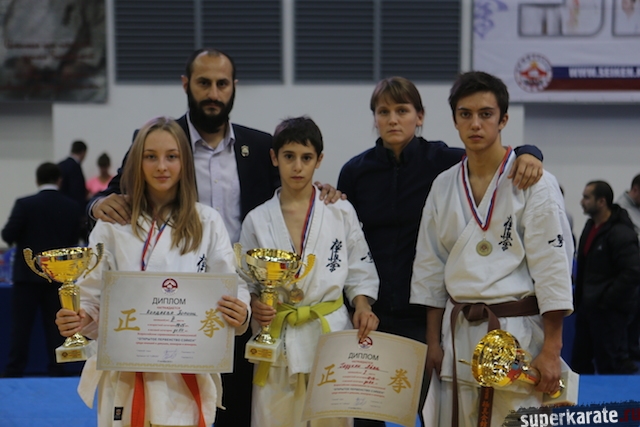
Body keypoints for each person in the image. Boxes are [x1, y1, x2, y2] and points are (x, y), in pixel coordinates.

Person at [88, 48, 340, 427]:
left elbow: (292, 188)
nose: (213, 93)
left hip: (238, 302)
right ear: (186, 85)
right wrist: (96, 205)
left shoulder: (259, 147)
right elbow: (117, 193)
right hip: (164, 315)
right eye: (204, 83)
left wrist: (323, 192)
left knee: (234, 408)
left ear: (233, 87)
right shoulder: (162, 139)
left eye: (222, 84)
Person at [337, 76, 544, 427]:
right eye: (383, 112)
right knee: (365, 416)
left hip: (424, 317)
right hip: (370, 315)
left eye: (402, 110)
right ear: (374, 118)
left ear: (420, 116)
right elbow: (346, 238)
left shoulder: (443, 162)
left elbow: (489, 152)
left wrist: (530, 152)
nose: (392, 119)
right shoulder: (355, 172)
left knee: (432, 413)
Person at [55, 117, 251, 427]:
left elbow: (232, 284)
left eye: (171, 156)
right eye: (151, 156)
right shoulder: (112, 225)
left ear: (185, 163)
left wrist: (241, 311)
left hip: (186, 370)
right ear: (137, 162)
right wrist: (80, 318)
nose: (162, 166)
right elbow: (91, 296)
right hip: (125, 370)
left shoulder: (207, 221)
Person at [409, 71, 573, 427]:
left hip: (519, 332)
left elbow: (553, 269)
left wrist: (552, 348)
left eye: (486, 114)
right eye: (465, 114)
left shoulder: (536, 183)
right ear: (455, 120)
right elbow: (430, 267)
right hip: (458, 334)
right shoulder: (443, 186)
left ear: (503, 119)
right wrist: (433, 341)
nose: (475, 124)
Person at [239, 116, 379, 427]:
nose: (298, 167)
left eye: (306, 158)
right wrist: (254, 304)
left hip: (328, 332)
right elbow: (244, 279)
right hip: (278, 335)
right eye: (289, 156)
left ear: (319, 160)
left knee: (333, 420)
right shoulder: (257, 220)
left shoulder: (340, 211)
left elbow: (359, 266)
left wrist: (362, 305)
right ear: (274, 157)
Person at [1, 162, 82, 377]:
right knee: (58, 325)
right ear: (59, 180)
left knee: (21, 328)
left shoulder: (25, 204)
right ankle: (58, 368)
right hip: (59, 278)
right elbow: (75, 240)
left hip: (26, 277)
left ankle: (14, 369)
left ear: (37, 180)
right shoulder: (72, 206)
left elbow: (8, 235)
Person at [572, 180, 640, 374]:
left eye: (587, 197)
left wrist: (607, 300)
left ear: (601, 202)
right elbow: (584, 266)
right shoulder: (590, 227)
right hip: (587, 311)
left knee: (611, 367)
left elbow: (633, 271)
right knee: (579, 364)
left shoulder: (621, 232)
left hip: (610, 315)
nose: (582, 202)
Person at [616, 173, 640, 361]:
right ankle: (625, 355)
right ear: (635, 190)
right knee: (628, 318)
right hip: (628, 273)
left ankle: (633, 350)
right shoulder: (621, 210)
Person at [58, 140, 89, 208]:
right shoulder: (75, 167)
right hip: (72, 206)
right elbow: (76, 191)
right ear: (83, 152)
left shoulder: (60, 164)